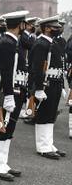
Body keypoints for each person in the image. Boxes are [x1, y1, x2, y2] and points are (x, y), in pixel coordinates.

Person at [0, 11, 30, 181]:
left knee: (9, 128)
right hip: (7, 91)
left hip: (15, 90)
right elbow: (5, 72)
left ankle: (2, 163)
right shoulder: (7, 43)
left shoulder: (13, 41)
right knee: (2, 127)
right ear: (20, 25)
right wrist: (9, 95)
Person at [29, 16, 66, 159]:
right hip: (46, 84)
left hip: (55, 83)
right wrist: (38, 88)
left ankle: (49, 143)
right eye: (55, 27)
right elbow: (37, 68)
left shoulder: (53, 43)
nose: (58, 29)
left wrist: (62, 85)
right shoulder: (41, 44)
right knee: (44, 114)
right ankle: (43, 147)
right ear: (46, 28)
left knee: (51, 115)